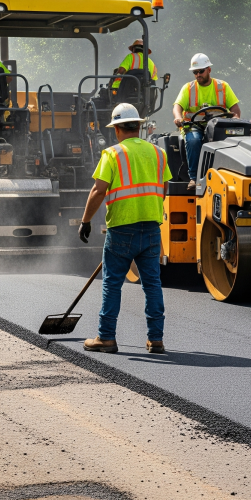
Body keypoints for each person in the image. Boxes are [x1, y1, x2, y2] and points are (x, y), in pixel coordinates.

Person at [78, 103, 172, 354]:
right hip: (152, 229)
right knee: (152, 285)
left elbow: (99, 190)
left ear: (117, 129)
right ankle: (156, 339)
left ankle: (106, 338)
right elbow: (162, 190)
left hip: (121, 230)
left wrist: (85, 221)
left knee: (111, 284)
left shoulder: (112, 154)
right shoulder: (158, 154)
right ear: (139, 126)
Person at [173, 53, 240, 191]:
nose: (198, 74)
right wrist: (178, 117)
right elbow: (177, 106)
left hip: (218, 126)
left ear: (209, 69)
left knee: (233, 141)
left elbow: (235, 108)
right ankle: (194, 178)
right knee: (193, 140)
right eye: (195, 72)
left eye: (201, 71)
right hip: (194, 126)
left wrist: (236, 119)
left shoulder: (222, 86)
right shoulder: (188, 88)